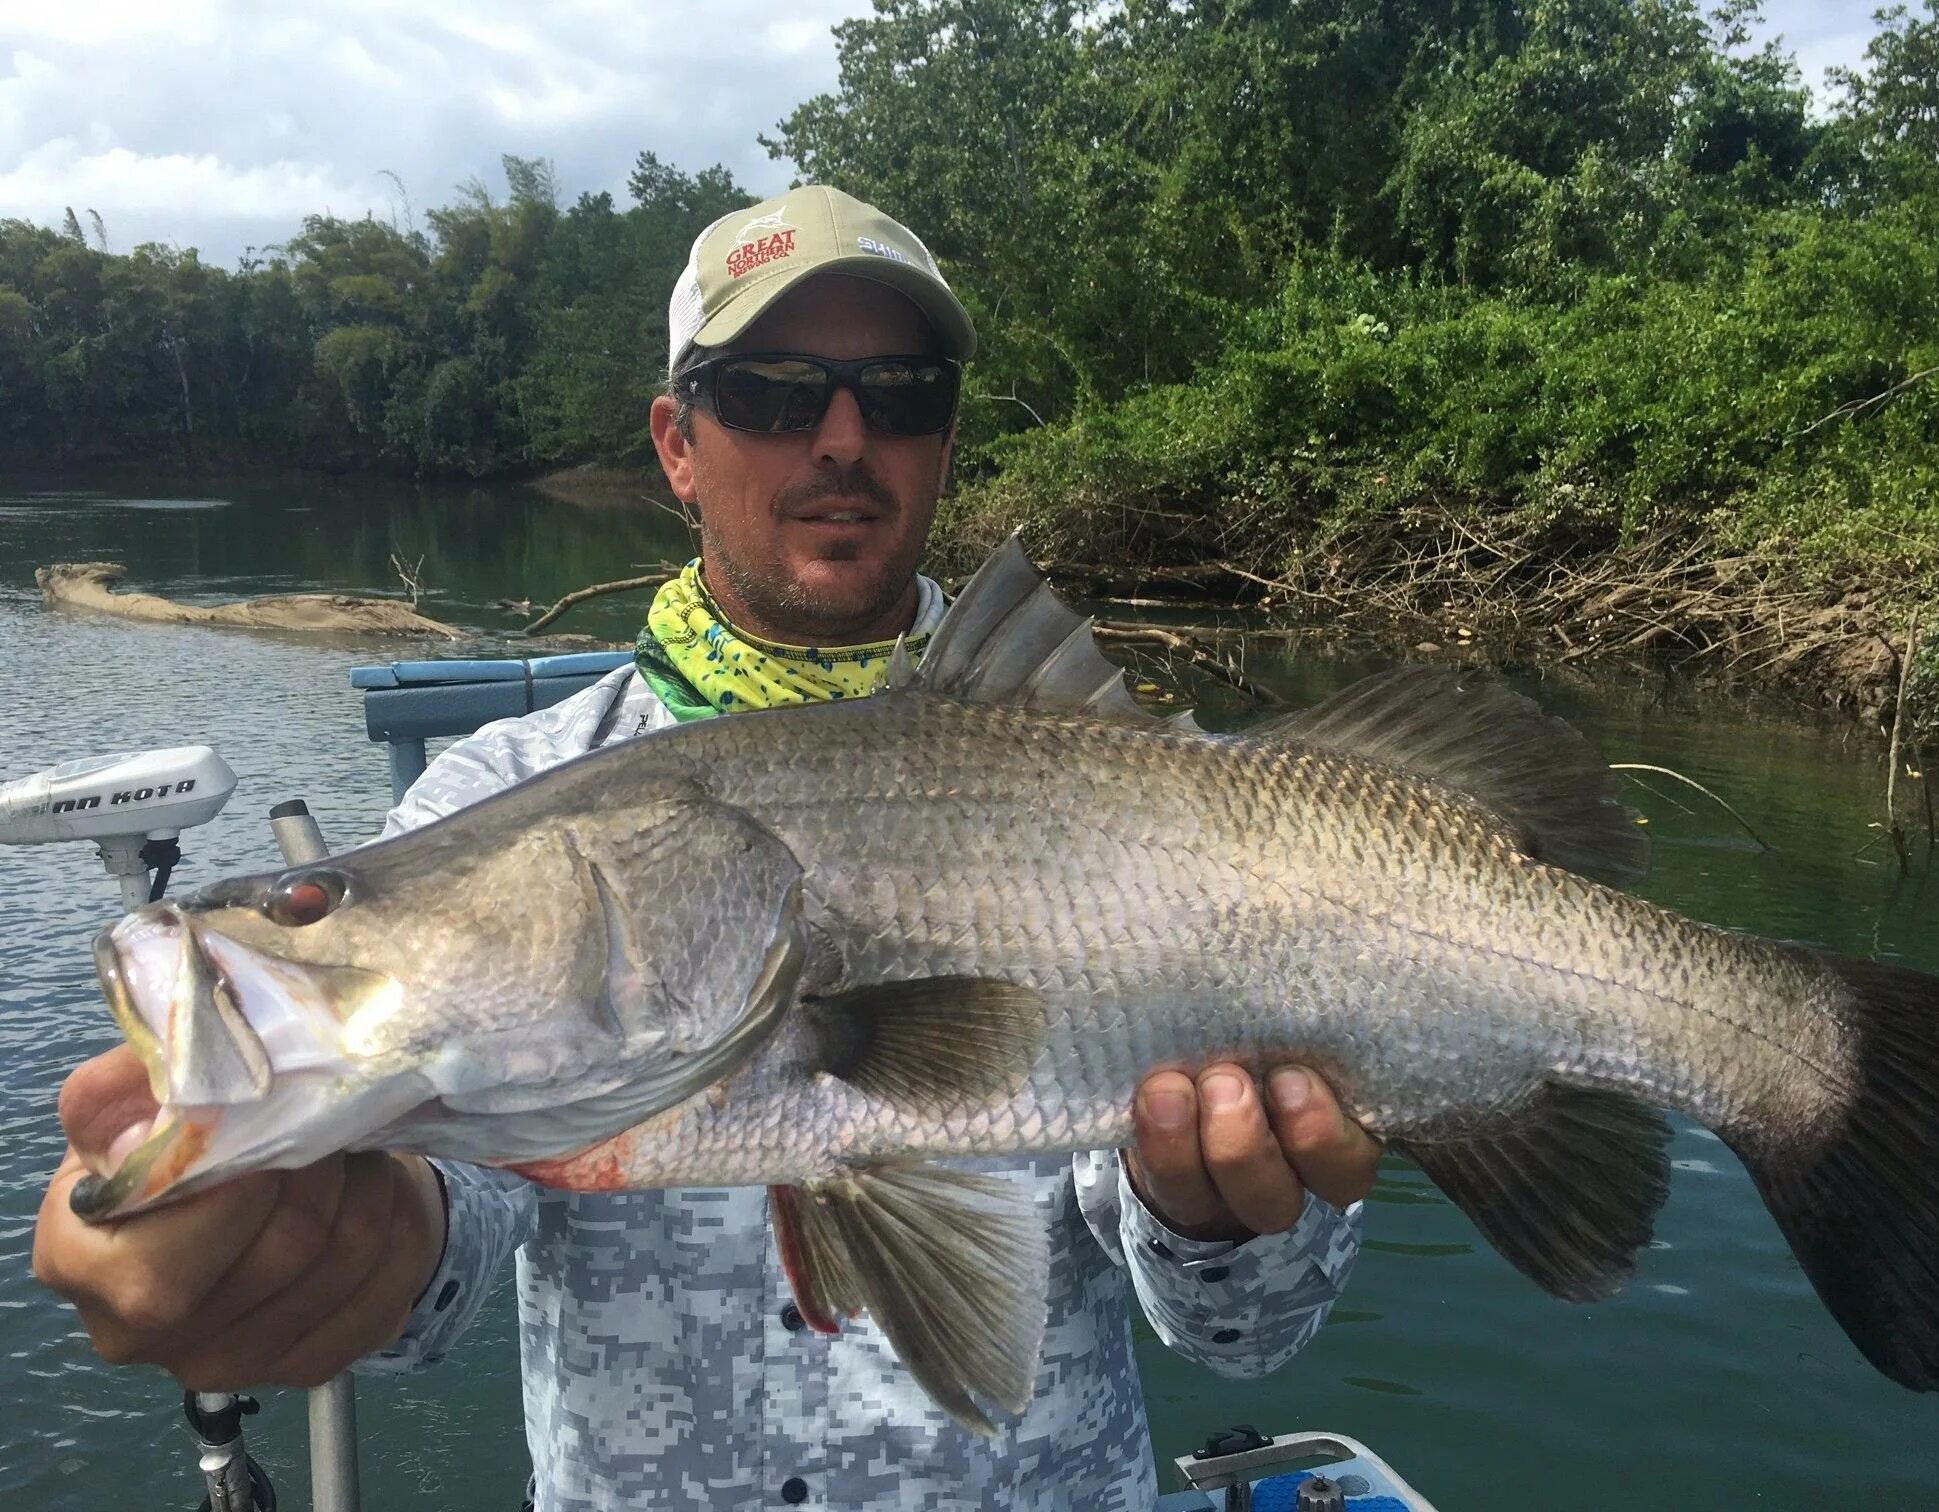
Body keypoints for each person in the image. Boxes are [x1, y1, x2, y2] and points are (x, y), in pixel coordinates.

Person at [35, 185, 1381, 1510]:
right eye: (776, 392)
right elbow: (437, 1231)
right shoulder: (508, 789)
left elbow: (1239, 1339)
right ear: (678, 442)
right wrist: (335, 1237)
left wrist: (1216, 1217)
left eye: (901, 393)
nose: (844, 437)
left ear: (945, 438)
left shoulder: (1137, 804)